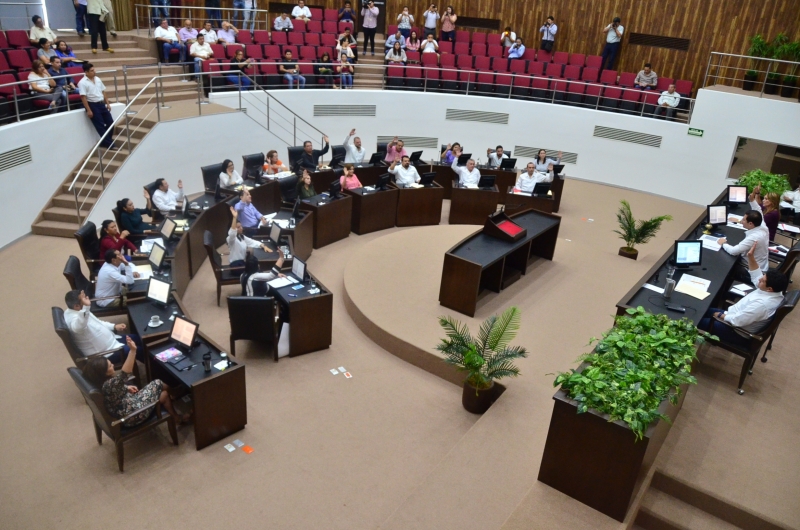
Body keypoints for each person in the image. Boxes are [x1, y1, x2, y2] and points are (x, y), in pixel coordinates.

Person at [82, 337, 188, 426]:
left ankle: (176, 415)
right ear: (104, 373)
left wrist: (125, 388)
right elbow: (125, 372)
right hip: (131, 416)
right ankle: (175, 395)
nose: (113, 365)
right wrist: (133, 350)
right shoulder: (110, 384)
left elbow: (113, 394)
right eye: (110, 366)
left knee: (163, 394)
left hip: (125, 407)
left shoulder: (103, 383)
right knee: (158, 383)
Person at [698, 245, 788, 348]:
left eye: (762, 281)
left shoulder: (762, 305)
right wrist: (750, 257)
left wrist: (719, 315)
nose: (759, 280)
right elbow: (756, 276)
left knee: (695, 319)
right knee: (700, 309)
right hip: (732, 316)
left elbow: (738, 321)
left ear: (770, 289)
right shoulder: (774, 292)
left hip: (734, 331)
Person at [64, 290, 145, 363]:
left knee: (137, 338)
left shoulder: (79, 311)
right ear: (76, 306)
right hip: (106, 354)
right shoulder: (74, 318)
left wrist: (114, 326)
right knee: (138, 350)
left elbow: (99, 323)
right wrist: (86, 307)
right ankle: (154, 371)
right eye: (84, 298)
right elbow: (79, 327)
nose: (87, 298)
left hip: (113, 341)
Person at [717, 209, 770, 282]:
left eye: (744, 220)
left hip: (752, 272)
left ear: (751, 223)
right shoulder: (763, 227)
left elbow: (733, 251)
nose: (742, 221)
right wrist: (739, 221)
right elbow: (758, 209)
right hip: (762, 265)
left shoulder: (754, 237)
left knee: (724, 267)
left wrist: (723, 243)